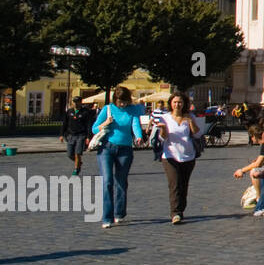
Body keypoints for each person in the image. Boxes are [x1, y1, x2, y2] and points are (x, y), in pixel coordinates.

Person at [90, 87, 146, 228]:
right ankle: (107, 218)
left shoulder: (132, 110)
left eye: (125, 101)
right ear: (115, 99)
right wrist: (105, 123)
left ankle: (119, 213)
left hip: (125, 149)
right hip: (107, 148)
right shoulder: (107, 109)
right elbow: (94, 128)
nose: (123, 104)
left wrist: (138, 137)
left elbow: (135, 125)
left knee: (121, 182)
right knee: (107, 181)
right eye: (120, 101)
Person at [157, 92, 203, 225]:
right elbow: (162, 138)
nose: (177, 105)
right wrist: (163, 130)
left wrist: (190, 122)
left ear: (184, 104)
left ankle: (181, 210)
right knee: (174, 184)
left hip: (188, 156)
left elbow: (198, 134)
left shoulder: (190, 117)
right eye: (175, 102)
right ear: (171, 103)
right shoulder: (165, 118)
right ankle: (175, 213)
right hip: (170, 155)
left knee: (183, 185)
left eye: (180, 102)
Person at [61, 99, 94, 176]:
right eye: (74, 102)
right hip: (71, 135)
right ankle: (79, 162)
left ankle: (76, 169)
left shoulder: (85, 112)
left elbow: (88, 125)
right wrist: (61, 134)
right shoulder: (69, 111)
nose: (76, 104)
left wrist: (88, 137)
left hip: (81, 135)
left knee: (77, 153)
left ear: (80, 102)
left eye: (77, 102)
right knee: (69, 154)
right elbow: (65, 123)